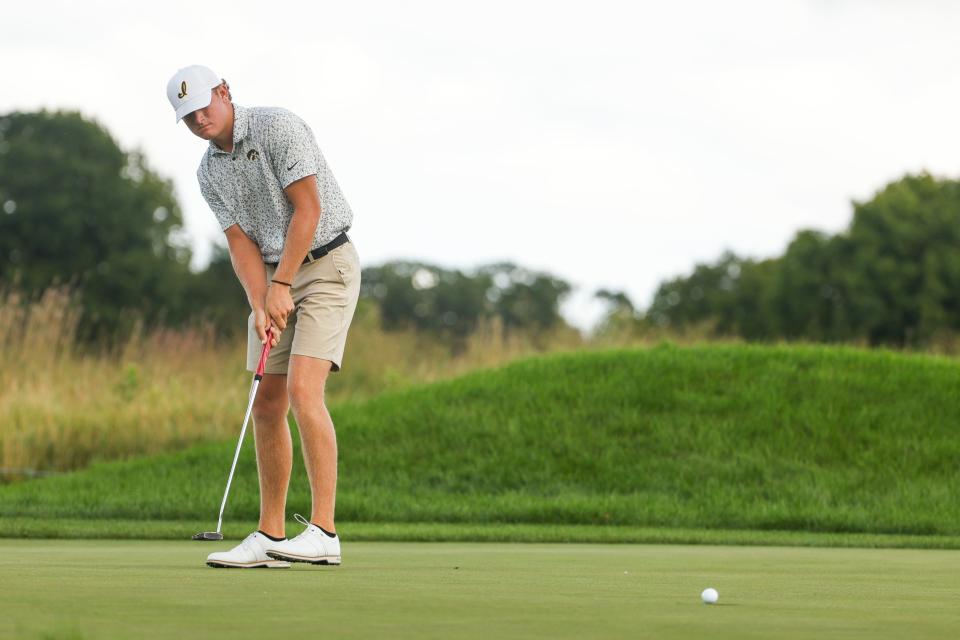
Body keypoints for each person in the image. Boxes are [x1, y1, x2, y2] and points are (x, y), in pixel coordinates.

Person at [166, 64, 361, 568]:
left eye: (205, 106)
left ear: (225, 92)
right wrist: (260, 302)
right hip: (273, 277)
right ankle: (269, 535)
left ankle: (324, 532)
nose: (200, 120)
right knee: (266, 403)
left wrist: (280, 285)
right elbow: (240, 243)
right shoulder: (209, 171)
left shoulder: (277, 126)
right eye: (188, 116)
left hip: (325, 265)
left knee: (302, 390)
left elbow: (309, 210)